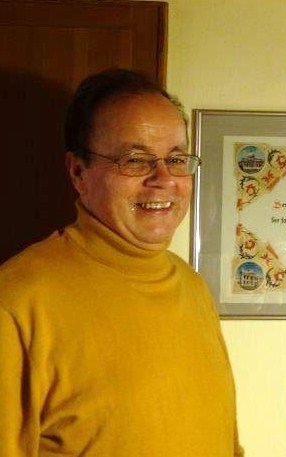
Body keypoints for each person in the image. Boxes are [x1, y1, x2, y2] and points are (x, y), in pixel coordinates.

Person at [0, 69, 244, 456]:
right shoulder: (19, 301)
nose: (164, 179)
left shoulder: (191, 286)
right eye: (135, 160)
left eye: (176, 159)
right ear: (78, 172)